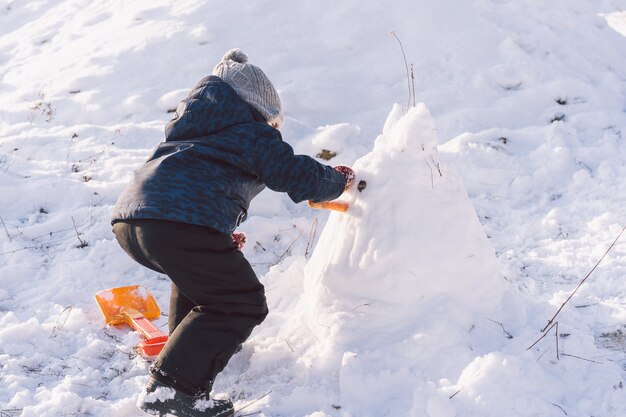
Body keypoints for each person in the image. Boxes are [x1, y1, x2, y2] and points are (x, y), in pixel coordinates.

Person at [110, 49, 355, 417]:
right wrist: (336, 180)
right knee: (241, 301)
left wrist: (214, 236)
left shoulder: (193, 128)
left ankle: (185, 349)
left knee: (203, 283)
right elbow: (293, 173)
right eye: (274, 124)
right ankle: (172, 392)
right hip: (178, 222)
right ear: (259, 109)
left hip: (132, 221)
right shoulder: (251, 132)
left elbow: (193, 183)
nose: (273, 132)